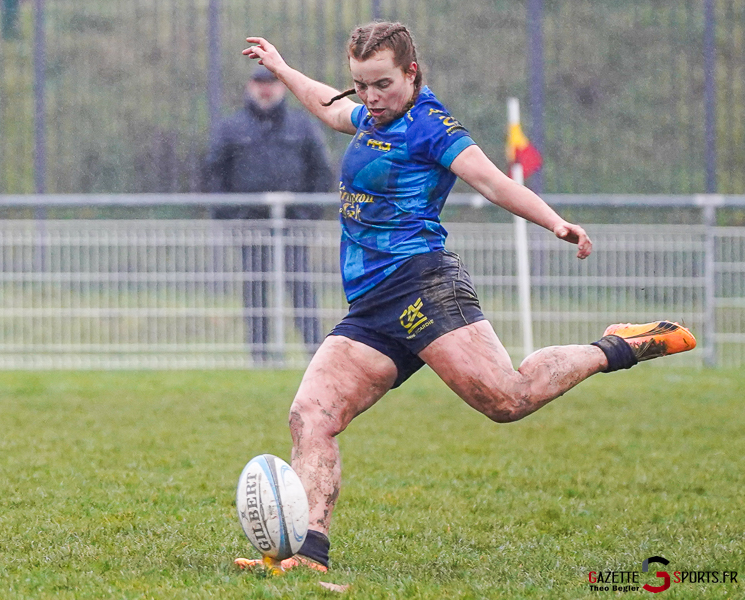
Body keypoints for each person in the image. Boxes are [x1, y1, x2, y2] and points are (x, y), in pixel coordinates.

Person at [233, 22, 697, 573]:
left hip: (423, 284)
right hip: (371, 305)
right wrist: (283, 69)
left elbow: (495, 183)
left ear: (411, 72)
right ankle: (310, 555)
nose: (370, 97)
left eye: (382, 84)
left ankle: (616, 346)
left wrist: (555, 222)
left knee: (508, 400)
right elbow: (331, 109)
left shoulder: (431, 125)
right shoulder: (370, 116)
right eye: (361, 85)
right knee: (311, 415)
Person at [204, 65, 335, 365]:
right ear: (250, 85)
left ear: (282, 87)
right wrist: (230, 218)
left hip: (293, 224)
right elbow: (214, 174)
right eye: (259, 82)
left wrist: (308, 215)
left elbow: (321, 171)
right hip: (249, 224)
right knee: (255, 289)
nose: (265, 88)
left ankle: (316, 355)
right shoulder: (231, 128)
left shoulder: (302, 126)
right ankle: (260, 357)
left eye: (272, 82)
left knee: (300, 286)